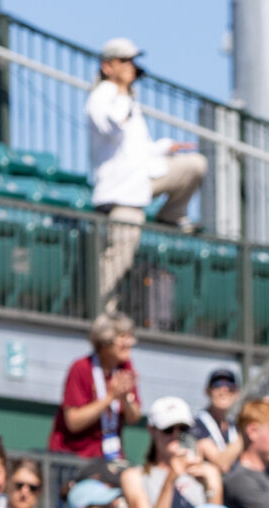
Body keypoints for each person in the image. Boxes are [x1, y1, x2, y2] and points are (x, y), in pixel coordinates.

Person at [86, 37, 206, 311]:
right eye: (124, 61)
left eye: (132, 62)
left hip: (142, 180)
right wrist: (123, 95)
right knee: (120, 256)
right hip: (120, 194)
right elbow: (112, 127)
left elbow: (138, 151)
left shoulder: (127, 99)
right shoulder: (103, 96)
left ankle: (172, 215)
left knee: (194, 165)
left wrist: (166, 148)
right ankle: (104, 311)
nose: (131, 67)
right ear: (108, 66)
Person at [51, 312, 141, 461]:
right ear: (105, 341)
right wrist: (110, 397)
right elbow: (73, 422)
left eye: (130, 336)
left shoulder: (125, 368)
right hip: (76, 457)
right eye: (122, 337)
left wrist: (125, 398)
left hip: (110, 456)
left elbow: (134, 418)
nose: (129, 342)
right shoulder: (81, 368)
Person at [193, 367, 241, 471]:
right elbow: (222, 464)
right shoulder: (196, 425)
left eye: (230, 386)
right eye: (217, 384)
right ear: (207, 391)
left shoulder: (236, 427)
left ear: (237, 393)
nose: (224, 390)